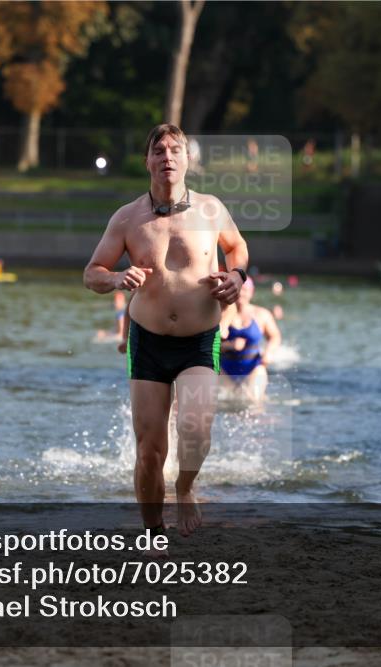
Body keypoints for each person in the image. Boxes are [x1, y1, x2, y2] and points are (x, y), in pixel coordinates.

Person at [84, 123, 249, 541]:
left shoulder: (212, 209)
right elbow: (91, 274)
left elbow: (238, 247)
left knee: (196, 430)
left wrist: (236, 276)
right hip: (148, 341)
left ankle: (186, 486)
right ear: (148, 161)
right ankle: (153, 532)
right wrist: (117, 279)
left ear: (187, 160)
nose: (168, 157)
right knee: (150, 451)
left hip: (199, 340)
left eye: (176, 150)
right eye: (159, 151)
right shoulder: (127, 218)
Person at [219, 278, 281, 403]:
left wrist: (269, 353)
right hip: (225, 368)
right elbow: (207, 343)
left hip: (254, 367)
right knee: (226, 404)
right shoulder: (222, 314)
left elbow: (275, 336)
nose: (242, 293)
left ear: (251, 292)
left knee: (253, 402)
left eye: (245, 290)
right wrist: (228, 345)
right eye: (239, 290)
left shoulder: (262, 314)